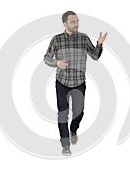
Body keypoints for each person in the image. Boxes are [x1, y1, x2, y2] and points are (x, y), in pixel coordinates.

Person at [44, 11, 107, 156]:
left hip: (79, 83)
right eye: (73, 22)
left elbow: (95, 56)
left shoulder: (83, 38)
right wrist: (56, 63)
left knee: (79, 113)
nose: (76, 24)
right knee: (62, 114)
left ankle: (73, 129)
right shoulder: (56, 40)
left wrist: (99, 44)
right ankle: (65, 145)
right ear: (65, 24)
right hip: (62, 83)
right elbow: (46, 58)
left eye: (77, 21)